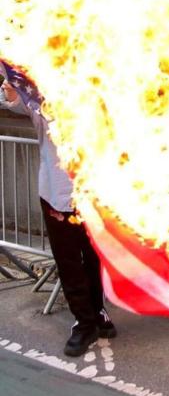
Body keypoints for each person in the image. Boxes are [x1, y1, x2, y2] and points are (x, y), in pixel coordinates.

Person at [1, 72, 116, 357]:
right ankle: (84, 322)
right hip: (56, 194)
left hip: (93, 195)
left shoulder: (94, 103)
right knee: (68, 262)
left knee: (94, 257)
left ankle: (98, 311)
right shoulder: (40, 103)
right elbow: (14, 101)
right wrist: (10, 89)